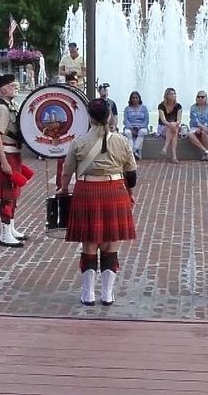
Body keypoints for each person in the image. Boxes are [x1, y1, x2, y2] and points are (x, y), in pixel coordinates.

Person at [58, 98, 139, 306]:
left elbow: (67, 172)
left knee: (89, 243)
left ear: (90, 117)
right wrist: (129, 193)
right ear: (109, 116)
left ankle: (88, 294)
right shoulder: (121, 141)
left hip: (87, 191)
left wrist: (63, 189)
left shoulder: (78, 142)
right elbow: (131, 174)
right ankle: (107, 294)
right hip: (115, 191)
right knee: (111, 244)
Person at [0, 74, 32, 248]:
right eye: (12, 85)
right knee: (7, 196)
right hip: (6, 154)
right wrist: (4, 163)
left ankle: (11, 228)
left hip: (13, 153)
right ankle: (5, 234)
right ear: (2, 89)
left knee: (13, 195)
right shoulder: (1, 109)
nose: (16, 87)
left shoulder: (10, 105)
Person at [156, 88, 182, 163]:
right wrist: (171, 125)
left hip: (173, 127)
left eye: (174, 94)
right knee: (174, 130)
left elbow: (179, 120)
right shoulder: (161, 106)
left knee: (174, 129)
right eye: (171, 94)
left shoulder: (178, 106)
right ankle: (174, 156)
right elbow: (163, 120)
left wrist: (174, 124)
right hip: (163, 127)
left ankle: (165, 148)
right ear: (166, 95)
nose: (173, 95)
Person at [187, 90, 208, 160]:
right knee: (190, 134)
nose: (200, 98)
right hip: (196, 126)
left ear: (206, 98)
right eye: (198, 97)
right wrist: (200, 127)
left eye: (202, 97)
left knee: (203, 132)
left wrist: (203, 127)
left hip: (206, 127)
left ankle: (205, 154)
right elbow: (194, 119)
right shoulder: (193, 107)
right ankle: (206, 151)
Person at [123, 92, 149, 159]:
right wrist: (131, 127)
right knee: (127, 133)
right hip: (130, 127)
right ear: (130, 99)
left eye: (136, 97)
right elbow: (125, 120)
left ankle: (132, 151)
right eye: (133, 98)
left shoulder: (144, 108)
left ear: (139, 99)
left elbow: (146, 120)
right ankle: (135, 151)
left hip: (141, 127)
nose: (135, 99)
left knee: (142, 132)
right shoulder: (127, 109)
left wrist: (139, 127)